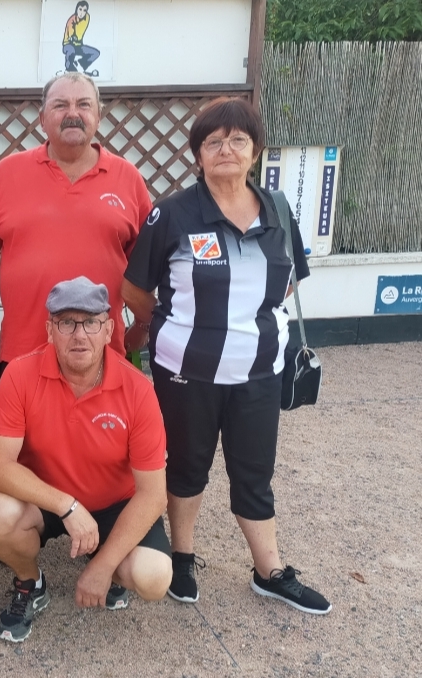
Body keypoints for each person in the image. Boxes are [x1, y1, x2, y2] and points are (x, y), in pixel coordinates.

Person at [122, 97, 332, 614]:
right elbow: (134, 290)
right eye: (213, 141)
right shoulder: (172, 214)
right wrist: (170, 324)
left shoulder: (278, 210)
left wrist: (244, 318)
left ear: (255, 150)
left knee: (254, 471)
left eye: (238, 140)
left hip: (260, 371)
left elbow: (288, 283)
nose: (226, 150)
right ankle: (182, 557)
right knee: (186, 465)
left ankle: (270, 570)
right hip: (186, 370)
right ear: (198, 154)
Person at [0, 277, 171, 643]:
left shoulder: (138, 389)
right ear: (49, 330)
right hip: (48, 498)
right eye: (67, 322)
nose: (79, 335)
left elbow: (153, 494)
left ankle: (105, 560)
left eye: (91, 322)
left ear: (109, 330)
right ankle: (30, 582)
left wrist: (103, 567)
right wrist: (67, 506)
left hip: (115, 503)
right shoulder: (19, 374)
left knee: (154, 577)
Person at [0, 72, 152, 419]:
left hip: (100, 353)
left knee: (100, 449)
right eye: (61, 105)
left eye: (84, 105)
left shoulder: (128, 178)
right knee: (10, 448)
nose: (73, 113)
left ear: (99, 115)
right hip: (22, 352)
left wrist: (142, 324)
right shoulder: (7, 173)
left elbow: (145, 266)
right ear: (42, 118)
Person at [62, 1, 101, 76]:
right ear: (76, 9)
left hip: (79, 45)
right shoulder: (72, 20)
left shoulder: (87, 17)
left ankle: (79, 64)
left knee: (95, 53)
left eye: (84, 10)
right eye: (80, 9)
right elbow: (71, 36)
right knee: (71, 51)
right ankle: (68, 68)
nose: (81, 13)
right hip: (68, 44)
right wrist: (73, 37)